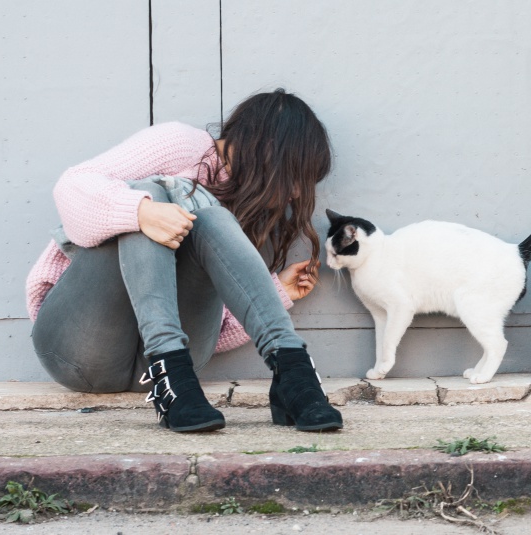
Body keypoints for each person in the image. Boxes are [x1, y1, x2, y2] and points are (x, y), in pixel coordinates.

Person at [26, 89, 343, 433]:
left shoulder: (246, 210)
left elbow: (215, 333)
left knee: (212, 218)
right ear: (272, 150)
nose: (297, 193)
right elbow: (72, 185)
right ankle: (170, 366)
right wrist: (141, 211)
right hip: (79, 348)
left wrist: (278, 292)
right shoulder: (179, 144)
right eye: (297, 174)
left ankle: (293, 374)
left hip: (170, 374)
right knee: (149, 192)